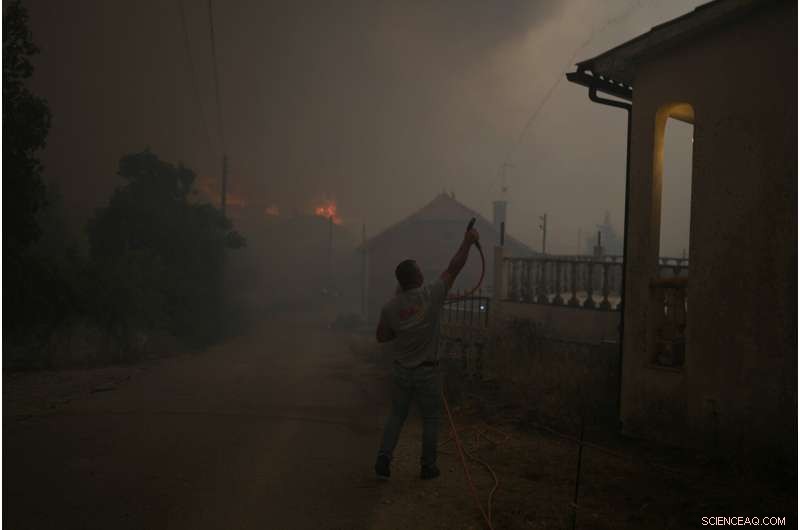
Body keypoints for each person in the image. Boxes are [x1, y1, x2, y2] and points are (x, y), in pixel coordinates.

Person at [374, 226, 480, 480]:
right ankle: (427, 467)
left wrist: (401, 324)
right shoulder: (431, 294)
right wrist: (467, 241)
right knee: (431, 418)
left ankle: (384, 458)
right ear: (418, 277)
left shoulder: (390, 307)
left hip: (401, 371)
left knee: (397, 415)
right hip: (427, 372)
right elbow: (454, 267)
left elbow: (382, 337)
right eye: (421, 271)